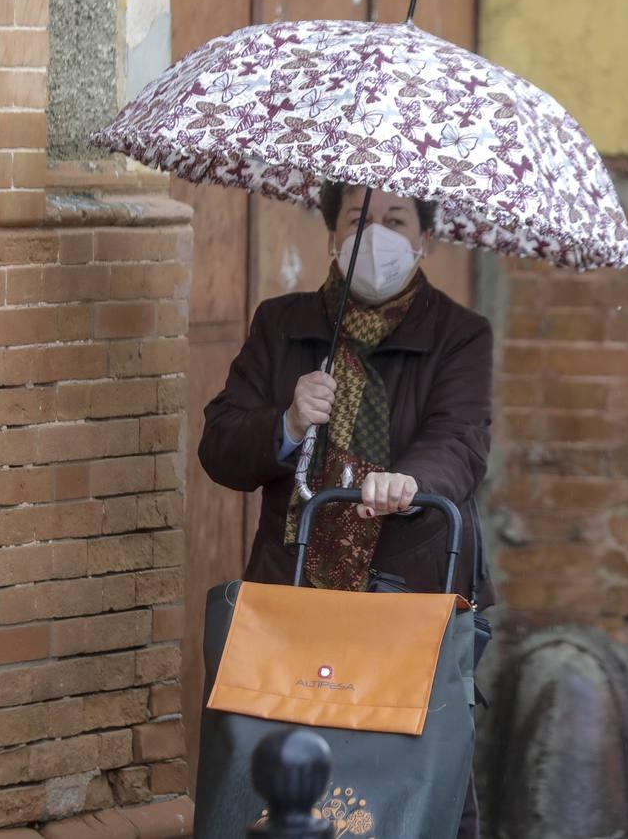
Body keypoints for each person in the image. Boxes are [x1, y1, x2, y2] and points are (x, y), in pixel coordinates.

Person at [198, 181, 494, 838]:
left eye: (396, 219)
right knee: (278, 773)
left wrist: (407, 483)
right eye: (361, 217)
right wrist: (288, 421)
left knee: (412, 779)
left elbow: (462, 440)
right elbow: (220, 448)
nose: (377, 234)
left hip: (409, 589)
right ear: (332, 232)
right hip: (296, 587)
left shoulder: (461, 336)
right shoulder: (282, 325)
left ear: (426, 239)